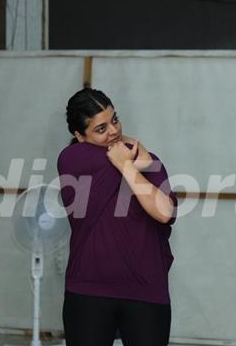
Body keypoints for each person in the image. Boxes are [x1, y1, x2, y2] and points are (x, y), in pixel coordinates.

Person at [57, 88, 178, 346]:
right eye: (100, 129)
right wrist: (134, 161)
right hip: (89, 290)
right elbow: (136, 155)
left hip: (146, 290)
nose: (113, 131)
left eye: (114, 120)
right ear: (79, 136)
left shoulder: (145, 162)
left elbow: (165, 212)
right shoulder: (72, 160)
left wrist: (126, 166)